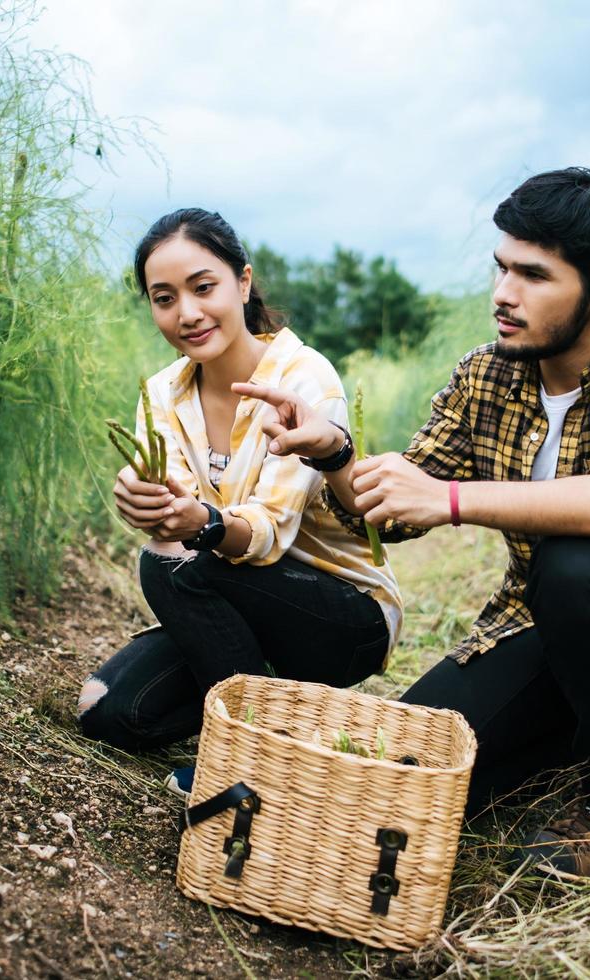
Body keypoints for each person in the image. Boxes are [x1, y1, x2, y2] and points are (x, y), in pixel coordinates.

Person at [236, 168, 590, 879]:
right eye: (501, 267)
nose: (503, 294)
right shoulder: (486, 376)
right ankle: (562, 740)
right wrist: (336, 452)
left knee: (573, 562)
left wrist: (455, 498)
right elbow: (395, 509)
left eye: (533, 275)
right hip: (540, 627)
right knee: (405, 769)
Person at [76, 208, 402, 797]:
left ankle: (250, 755)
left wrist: (194, 524)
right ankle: (288, 714)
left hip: (337, 613)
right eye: (164, 298)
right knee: (109, 713)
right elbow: (175, 512)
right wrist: (145, 496)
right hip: (233, 597)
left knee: (168, 565)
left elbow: (268, 533)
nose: (188, 313)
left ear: (243, 283)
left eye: (204, 288)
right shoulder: (162, 394)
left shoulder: (305, 380)